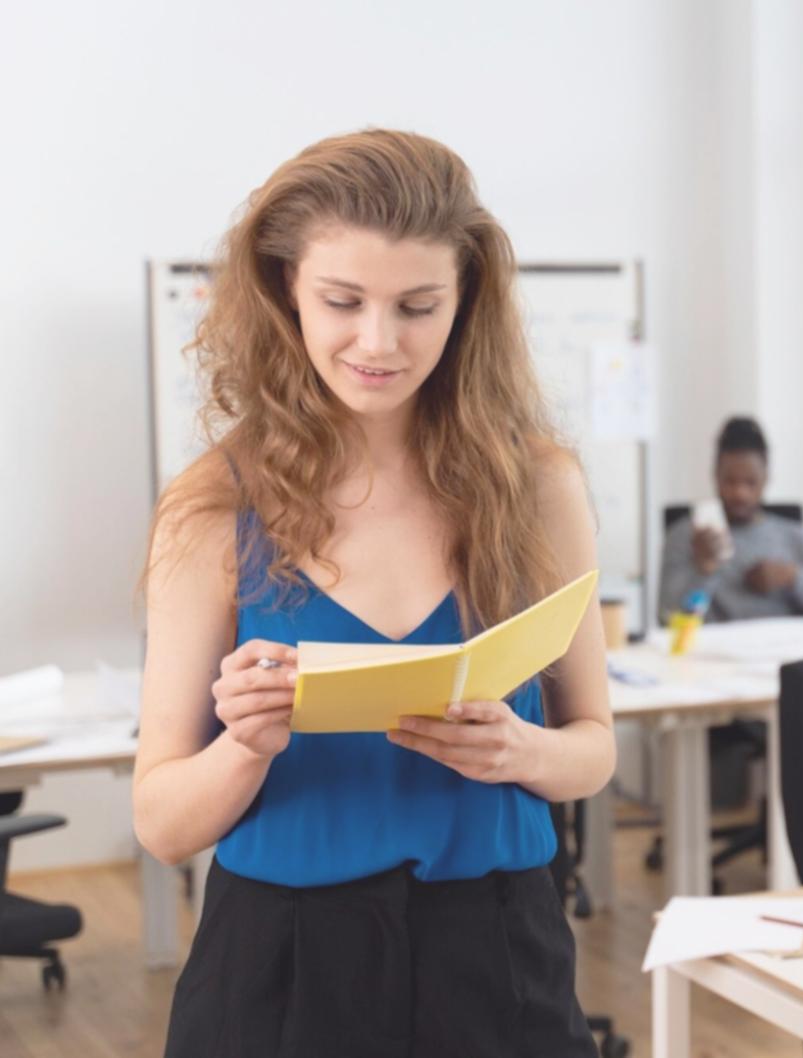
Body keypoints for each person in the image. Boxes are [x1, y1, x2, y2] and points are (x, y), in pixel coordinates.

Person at [132, 130, 611, 1058]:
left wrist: (520, 751)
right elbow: (160, 823)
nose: (379, 343)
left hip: (498, 951)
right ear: (285, 294)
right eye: (342, 302)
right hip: (281, 962)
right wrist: (245, 746)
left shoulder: (540, 488)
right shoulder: (210, 507)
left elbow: (592, 751)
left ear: (466, 302)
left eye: (418, 306)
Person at [657, 415, 803, 621]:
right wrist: (704, 572)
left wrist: (792, 577)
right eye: (730, 482)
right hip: (715, 649)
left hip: (787, 648)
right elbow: (668, 617)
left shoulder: (797, 538)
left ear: (766, 479)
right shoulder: (686, 537)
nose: (740, 493)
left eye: (750, 482)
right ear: (715, 476)